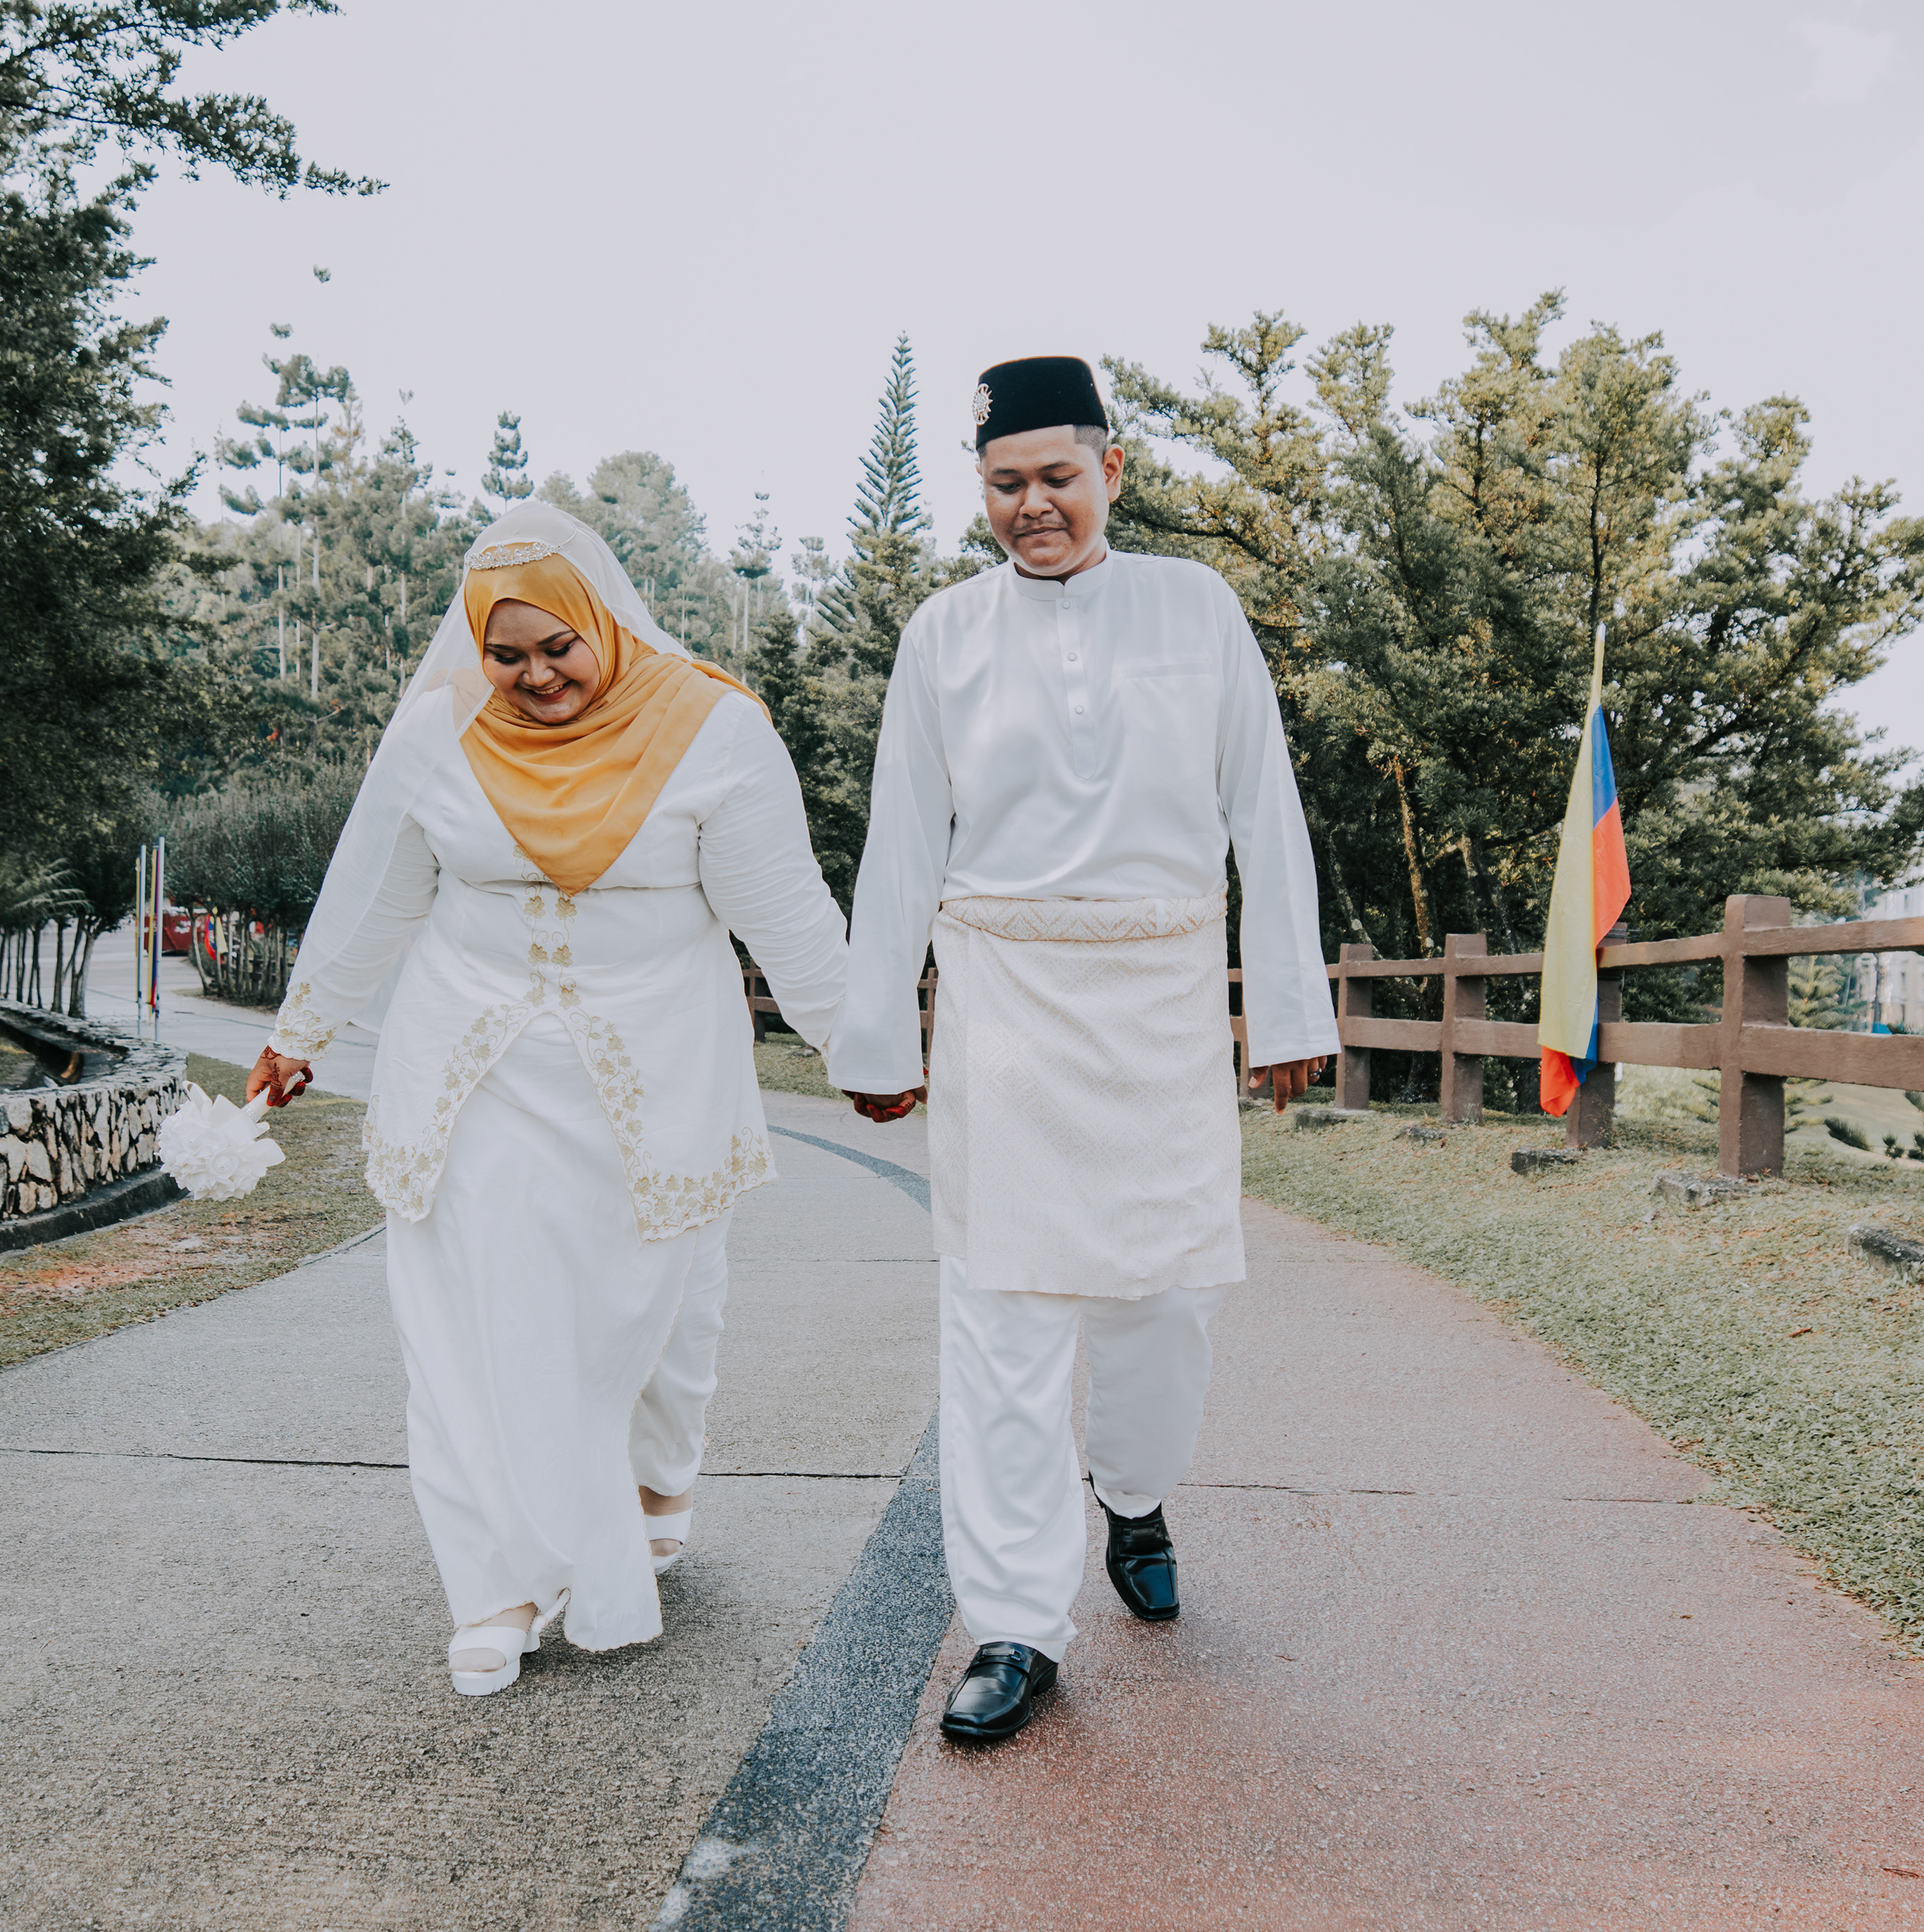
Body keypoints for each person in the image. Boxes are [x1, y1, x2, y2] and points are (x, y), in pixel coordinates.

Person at [247, 501, 849, 1698]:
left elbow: (786, 913)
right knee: (472, 1321)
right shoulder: (438, 731)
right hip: (470, 1067)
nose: (535, 677)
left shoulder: (713, 730)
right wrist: (301, 1029)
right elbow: (377, 888)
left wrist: (862, 1051)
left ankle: (655, 1485)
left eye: (557, 647)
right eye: (505, 654)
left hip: (654, 1073)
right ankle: (498, 1585)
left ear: (603, 622)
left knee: (654, 1324)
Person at [825, 356, 1338, 1742]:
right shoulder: (942, 633)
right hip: (1003, 999)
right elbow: (901, 841)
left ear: (1111, 469)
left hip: (1162, 998)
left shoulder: (1196, 605)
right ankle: (1013, 1623)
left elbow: (1264, 805)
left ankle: (1134, 1491)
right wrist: (877, 1030)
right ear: (980, 489)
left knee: (1166, 1304)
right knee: (1001, 1316)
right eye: (1006, 484)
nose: (1033, 505)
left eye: (1058, 476)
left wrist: (1289, 1009)